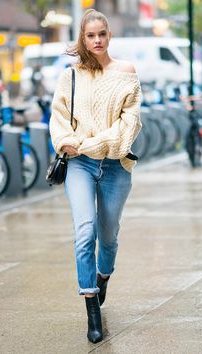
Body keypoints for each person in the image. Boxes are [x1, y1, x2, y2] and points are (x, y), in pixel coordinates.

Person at [49, 9, 142, 344]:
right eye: (91, 35)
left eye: (102, 34)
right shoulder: (70, 76)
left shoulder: (127, 72)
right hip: (80, 166)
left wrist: (86, 142)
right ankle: (91, 308)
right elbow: (58, 121)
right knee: (85, 231)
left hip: (116, 165)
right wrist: (65, 142)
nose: (97, 40)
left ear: (109, 36)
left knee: (109, 235)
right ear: (82, 38)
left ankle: (103, 277)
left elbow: (127, 128)